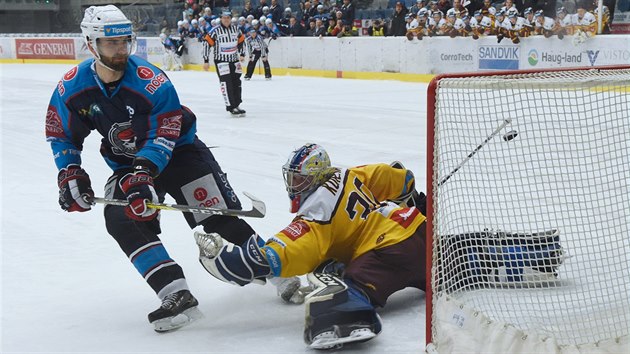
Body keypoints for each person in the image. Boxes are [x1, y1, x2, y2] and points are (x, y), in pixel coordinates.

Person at [193, 143, 566, 349]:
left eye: (297, 177)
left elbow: (278, 254)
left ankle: (343, 318)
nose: (293, 184)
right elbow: (399, 178)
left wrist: (226, 261)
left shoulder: (315, 214)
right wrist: (415, 199)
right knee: (461, 254)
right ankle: (531, 253)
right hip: (415, 232)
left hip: (387, 253)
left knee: (346, 282)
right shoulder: (354, 175)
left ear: (312, 177)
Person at [47, 4, 259, 332]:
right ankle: (175, 292)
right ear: (91, 43)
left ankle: (279, 272)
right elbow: (61, 134)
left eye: (124, 42)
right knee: (121, 218)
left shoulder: (151, 81)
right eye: (110, 43)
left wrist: (145, 174)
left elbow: (165, 132)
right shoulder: (73, 87)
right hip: (127, 162)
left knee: (216, 219)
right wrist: (69, 171)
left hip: (181, 153)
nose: (120, 50)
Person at [202, 11, 247, 117]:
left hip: (234, 60)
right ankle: (231, 107)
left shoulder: (236, 29)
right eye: (224, 18)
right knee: (226, 83)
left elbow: (241, 41)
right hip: (221, 61)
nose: (226, 19)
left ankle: (237, 104)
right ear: (221, 19)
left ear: (231, 19)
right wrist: (206, 60)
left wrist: (242, 53)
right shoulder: (215, 31)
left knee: (237, 82)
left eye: (228, 17)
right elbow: (206, 44)